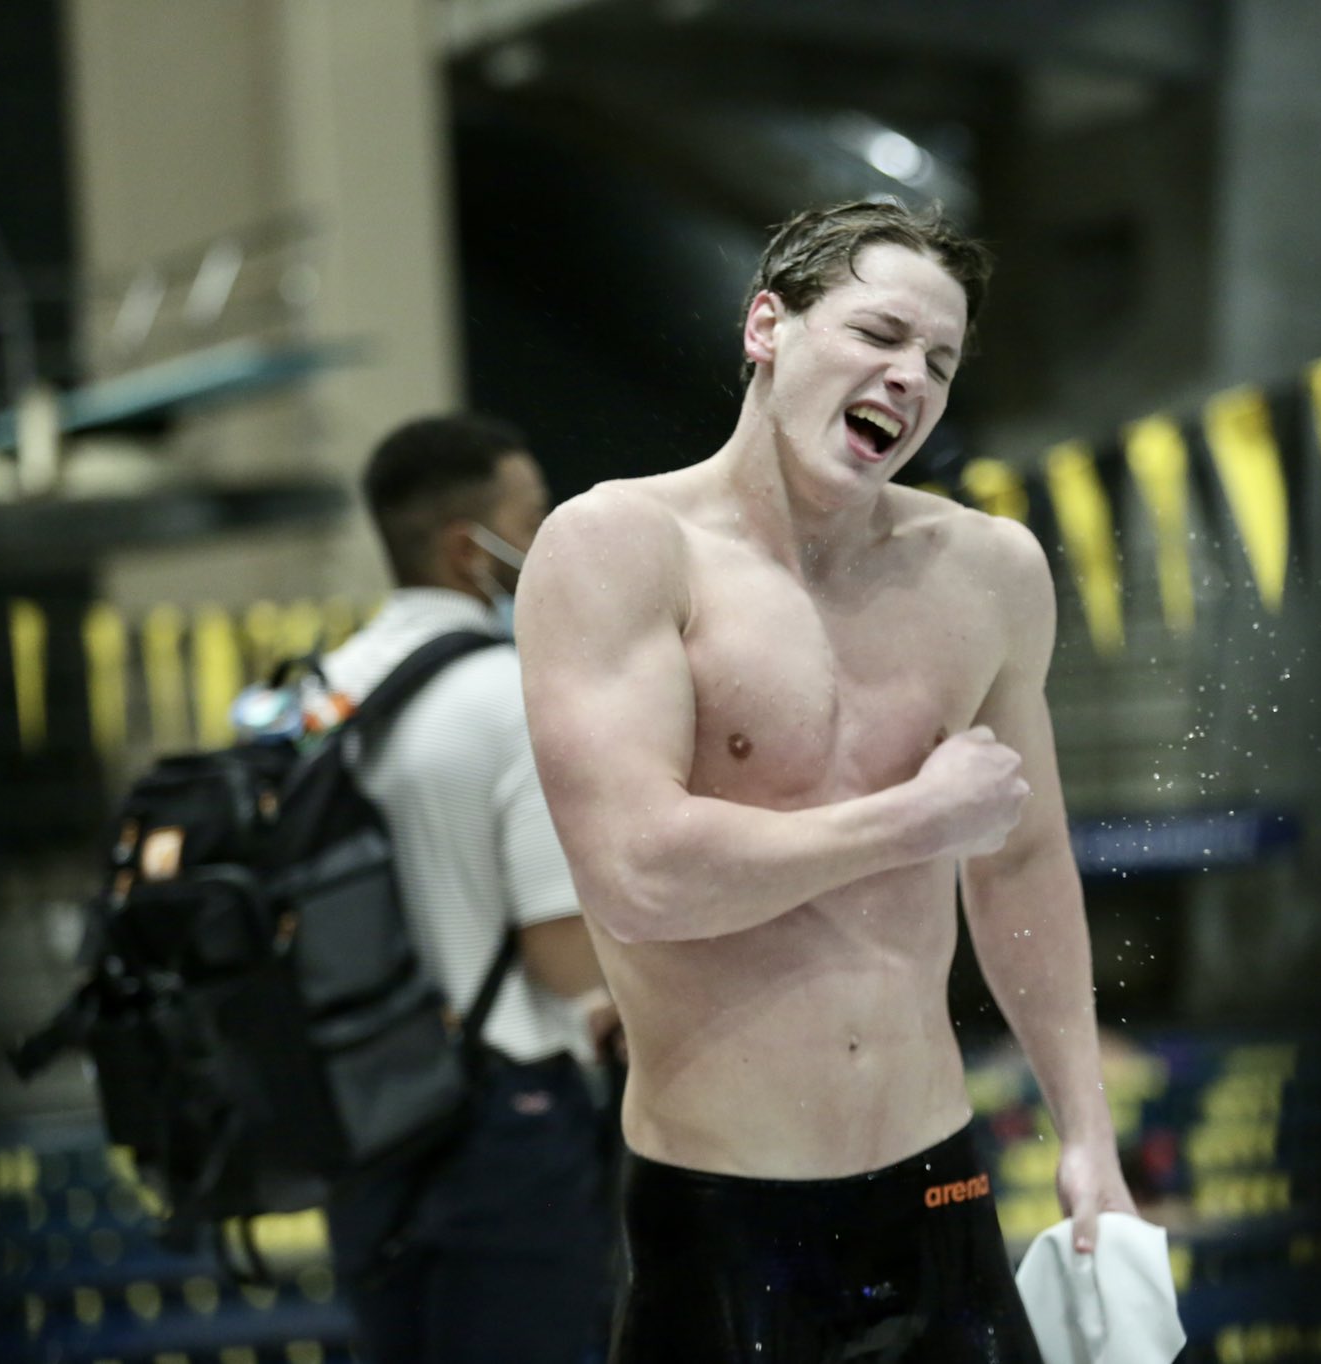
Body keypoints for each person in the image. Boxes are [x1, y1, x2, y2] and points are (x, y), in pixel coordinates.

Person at [517, 202, 1137, 1361]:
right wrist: (911, 819)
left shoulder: (987, 571)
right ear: (767, 325)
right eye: (879, 334)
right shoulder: (618, 548)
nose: (908, 378)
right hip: (726, 1216)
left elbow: (1019, 857)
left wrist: (1085, 1133)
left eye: (938, 362)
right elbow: (640, 874)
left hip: (939, 1190)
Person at [319, 414, 619, 1364]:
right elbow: (559, 948)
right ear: (467, 549)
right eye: (533, 520)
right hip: (502, 1124)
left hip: (361, 1114)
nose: (550, 543)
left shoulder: (322, 693)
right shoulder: (509, 694)